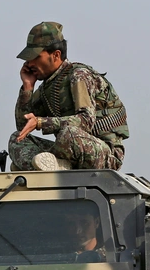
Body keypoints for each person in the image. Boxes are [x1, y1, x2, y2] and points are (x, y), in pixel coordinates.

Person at [9, 22, 129, 172]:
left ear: (56, 55)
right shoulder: (48, 86)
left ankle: (40, 166)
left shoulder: (78, 76)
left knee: (69, 133)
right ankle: (43, 165)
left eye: (35, 57)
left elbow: (86, 121)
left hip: (103, 154)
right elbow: (23, 128)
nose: (29, 63)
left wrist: (41, 122)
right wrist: (27, 87)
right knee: (17, 139)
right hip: (68, 151)